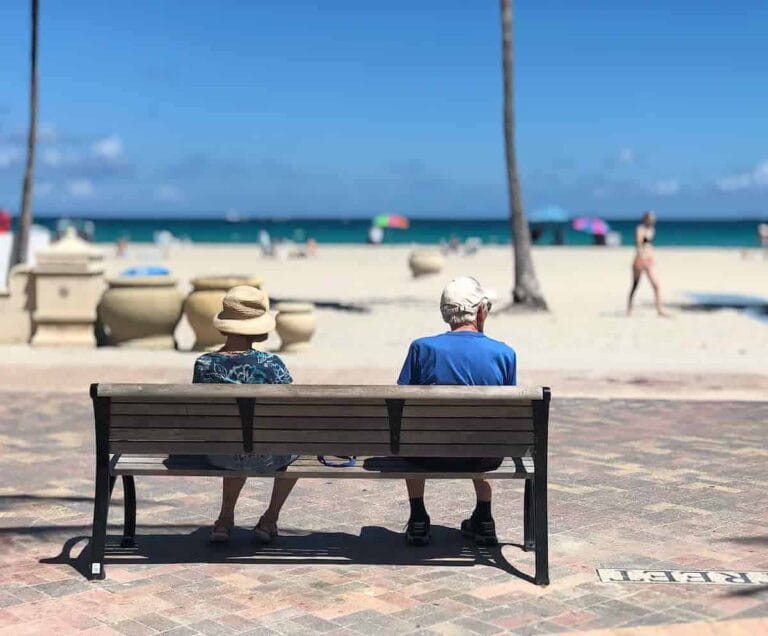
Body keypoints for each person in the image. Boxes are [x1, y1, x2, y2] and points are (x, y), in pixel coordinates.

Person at [396, 276, 516, 547]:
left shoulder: (422, 348)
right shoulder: (504, 354)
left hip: (427, 456)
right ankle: (484, 517)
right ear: (481, 311)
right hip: (483, 457)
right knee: (487, 432)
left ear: (445, 313)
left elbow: (402, 403)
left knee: (411, 435)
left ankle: (418, 518)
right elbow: (506, 415)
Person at [193, 285, 298, 544]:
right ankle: (270, 518)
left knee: (236, 438)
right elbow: (289, 409)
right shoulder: (272, 365)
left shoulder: (204, 364)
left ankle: (224, 519)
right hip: (268, 455)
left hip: (220, 454)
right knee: (297, 446)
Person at [627, 210, 668, 317]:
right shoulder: (640, 229)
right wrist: (642, 257)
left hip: (649, 260)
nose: (653, 220)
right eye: (651, 218)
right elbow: (639, 244)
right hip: (640, 260)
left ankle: (659, 310)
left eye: (654, 218)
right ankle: (629, 309)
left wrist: (652, 257)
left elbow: (649, 245)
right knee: (635, 285)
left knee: (656, 285)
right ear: (646, 219)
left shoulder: (652, 230)